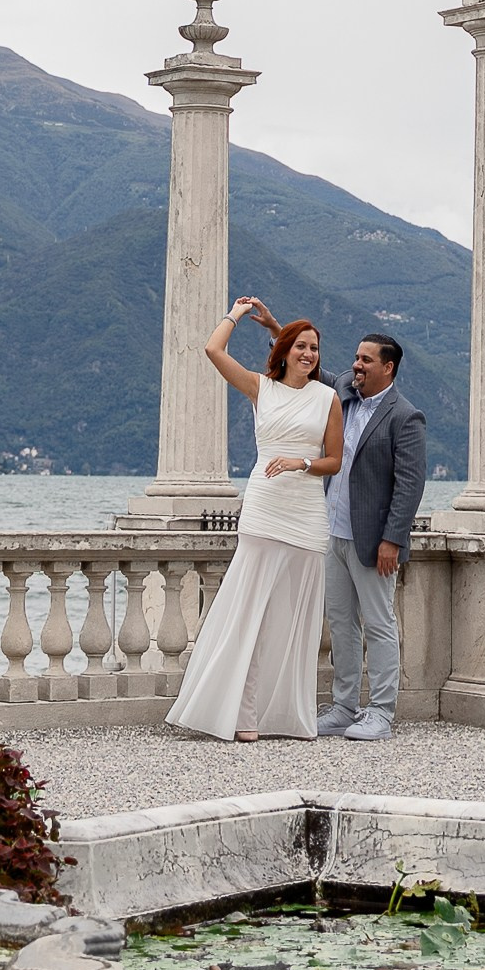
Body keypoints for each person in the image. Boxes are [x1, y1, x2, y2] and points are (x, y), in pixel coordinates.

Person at [164, 297, 342, 742]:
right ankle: (242, 715)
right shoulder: (261, 387)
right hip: (265, 510)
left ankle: (288, 715)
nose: (308, 354)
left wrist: (301, 462)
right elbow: (213, 351)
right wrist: (237, 314)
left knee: (296, 618)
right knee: (253, 613)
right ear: (284, 351)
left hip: (306, 514)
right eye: (300, 346)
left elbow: (334, 461)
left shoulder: (328, 397)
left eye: (314, 348)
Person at [319, 333, 427, 740]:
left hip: (374, 542)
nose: (357, 365)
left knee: (380, 624)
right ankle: (345, 707)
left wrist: (393, 540)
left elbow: (410, 484)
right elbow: (317, 372)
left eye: (365, 360)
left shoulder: (405, 416)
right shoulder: (346, 391)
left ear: (388, 368)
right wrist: (279, 331)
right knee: (341, 624)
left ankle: (381, 711)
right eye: (356, 357)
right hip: (335, 535)